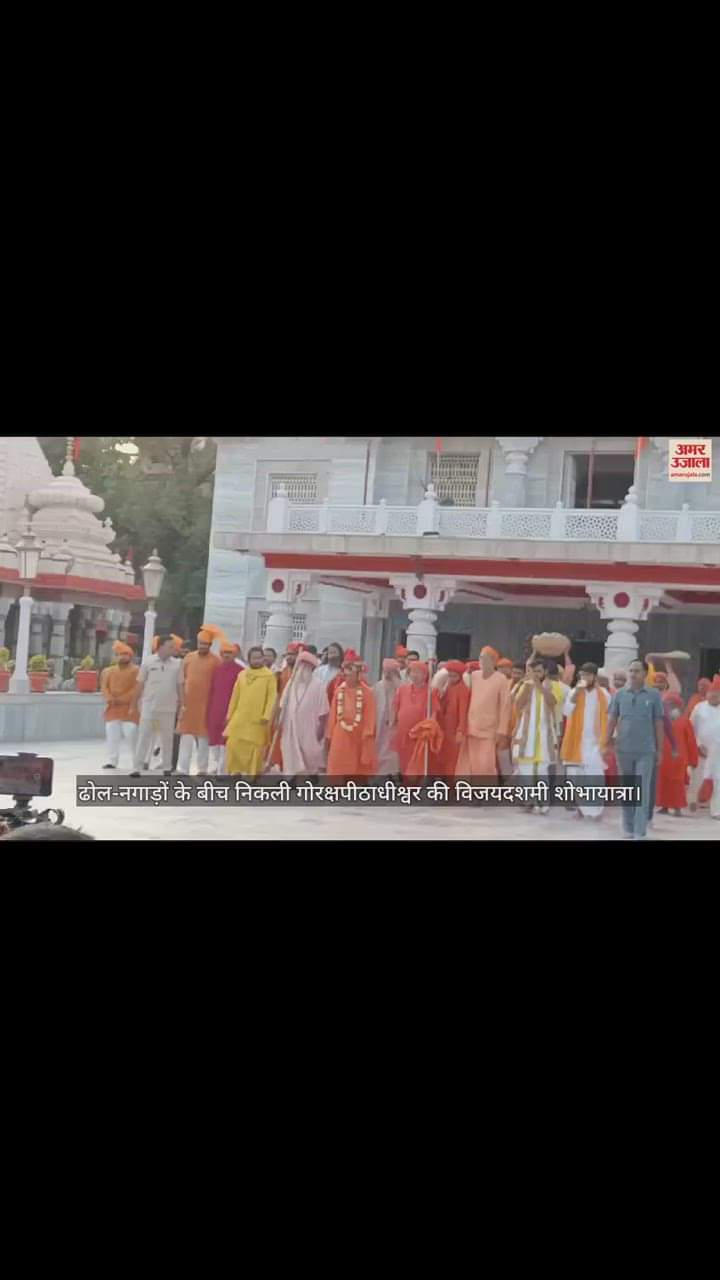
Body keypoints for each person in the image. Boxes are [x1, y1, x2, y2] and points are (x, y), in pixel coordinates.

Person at [604, 658, 665, 840]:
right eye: (630, 670)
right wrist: (606, 742)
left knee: (642, 789)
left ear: (645, 674)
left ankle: (640, 831)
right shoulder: (620, 694)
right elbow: (612, 720)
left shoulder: (653, 695)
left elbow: (658, 723)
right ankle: (628, 827)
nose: (632, 674)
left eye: (636, 671)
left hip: (646, 750)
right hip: (623, 749)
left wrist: (660, 750)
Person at [513, 658, 565, 811]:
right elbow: (517, 704)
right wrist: (528, 687)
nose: (536, 674)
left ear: (545, 672)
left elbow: (553, 702)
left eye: (539, 671)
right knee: (526, 769)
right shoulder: (525, 686)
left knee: (542, 770)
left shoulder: (553, 686)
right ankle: (528, 801)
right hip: (527, 735)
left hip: (544, 736)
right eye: (533, 671)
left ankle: (542, 803)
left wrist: (539, 686)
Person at [560, 662, 610, 820]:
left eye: (587, 675)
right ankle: (582, 808)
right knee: (576, 777)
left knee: (595, 777)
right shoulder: (575, 692)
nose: (584, 678)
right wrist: (576, 694)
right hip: (577, 742)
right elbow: (566, 711)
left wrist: (608, 742)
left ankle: (596, 811)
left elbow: (609, 718)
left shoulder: (603, 694)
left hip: (595, 743)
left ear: (594, 676)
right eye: (582, 675)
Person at [130, 636, 185, 776]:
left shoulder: (178, 664)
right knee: (144, 736)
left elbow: (180, 685)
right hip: (149, 706)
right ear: (160, 647)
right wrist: (133, 704)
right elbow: (140, 684)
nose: (173, 649)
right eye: (170, 647)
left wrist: (182, 705)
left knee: (167, 738)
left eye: (174, 647)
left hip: (169, 707)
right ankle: (138, 767)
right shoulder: (148, 662)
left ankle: (167, 767)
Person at [457, 647, 512, 779]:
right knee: (469, 762)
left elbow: (505, 706)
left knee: (486, 763)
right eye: (480, 657)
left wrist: (502, 731)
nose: (482, 661)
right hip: (472, 726)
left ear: (494, 661)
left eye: (485, 658)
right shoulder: (474, 676)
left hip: (490, 728)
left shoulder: (501, 679)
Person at [176, 625, 224, 774]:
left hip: (206, 705)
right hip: (188, 704)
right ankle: (182, 769)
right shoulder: (189, 657)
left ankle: (202, 768)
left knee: (203, 739)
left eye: (205, 644)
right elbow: (181, 680)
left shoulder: (216, 661)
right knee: (186, 738)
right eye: (200, 643)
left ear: (210, 645)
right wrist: (181, 701)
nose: (202, 646)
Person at [223, 646, 278, 776]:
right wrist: (229, 715)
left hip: (258, 719)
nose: (257, 660)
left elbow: (272, 697)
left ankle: (252, 775)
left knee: (254, 748)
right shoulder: (242, 675)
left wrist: (266, 715)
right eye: (254, 658)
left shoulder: (269, 676)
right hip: (240, 718)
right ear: (249, 659)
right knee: (233, 744)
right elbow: (235, 696)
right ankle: (234, 772)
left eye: (259, 658)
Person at [278, 649, 329, 776]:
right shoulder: (291, 683)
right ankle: (291, 779)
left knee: (309, 753)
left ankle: (311, 776)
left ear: (312, 668)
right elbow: (282, 705)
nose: (303, 669)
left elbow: (324, 711)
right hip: (290, 726)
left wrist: (321, 729)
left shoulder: (319, 685)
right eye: (301, 665)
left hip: (309, 726)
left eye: (307, 666)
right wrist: (280, 722)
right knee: (290, 752)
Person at [326, 656, 377, 776]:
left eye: (350, 670)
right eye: (345, 670)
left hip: (358, 735)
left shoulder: (367, 693)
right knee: (336, 764)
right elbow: (333, 714)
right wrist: (329, 733)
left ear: (358, 673)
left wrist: (367, 735)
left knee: (356, 768)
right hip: (340, 733)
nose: (346, 673)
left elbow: (370, 717)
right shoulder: (339, 690)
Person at [391, 660, 439, 779]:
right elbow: (395, 706)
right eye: (412, 672)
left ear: (425, 675)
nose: (414, 675)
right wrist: (392, 723)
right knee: (403, 760)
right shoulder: (402, 689)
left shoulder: (431, 692)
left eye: (418, 672)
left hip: (419, 734)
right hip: (403, 732)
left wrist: (430, 727)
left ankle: (414, 789)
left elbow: (434, 712)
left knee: (417, 762)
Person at [657, 693, 698, 815]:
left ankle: (677, 808)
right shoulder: (660, 721)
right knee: (663, 782)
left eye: (672, 704)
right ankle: (664, 806)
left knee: (677, 783)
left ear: (679, 706)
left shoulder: (685, 722)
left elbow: (691, 742)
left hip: (679, 759)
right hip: (663, 758)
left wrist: (693, 760)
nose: (669, 707)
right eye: (667, 705)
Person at [101, 641, 139, 770]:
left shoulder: (136, 670)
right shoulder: (108, 671)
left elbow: (137, 688)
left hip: (129, 709)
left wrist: (122, 699)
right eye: (120, 655)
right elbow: (104, 687)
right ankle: (112, 761)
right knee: (112, 736)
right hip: (112, 708)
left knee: (132, 734)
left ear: (130, 656)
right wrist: (110, 698)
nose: (122, 657)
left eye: (125, 654)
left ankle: (137, 760)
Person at [206, 642, 242, 774]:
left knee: (226, 740)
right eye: (224, 653)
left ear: (234, 655)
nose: (226, 655)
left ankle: (223, 769)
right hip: (215, 710)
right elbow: (211, 690)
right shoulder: (217, 670)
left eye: (230, 653)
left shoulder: (241, 672)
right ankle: (216, 765)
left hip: (231, 711)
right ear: (220, 654)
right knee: (214, 738)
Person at [432, 660, 469, 779]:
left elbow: (463, 712)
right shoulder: (448, 686)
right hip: (445, 727)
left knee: (453, 757)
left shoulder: (463, 690)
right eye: (450, 675)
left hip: (454, 729)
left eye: (454, 676)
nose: (452, 678)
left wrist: (460, 731)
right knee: (444, 755)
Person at [689, 677, 720, 819]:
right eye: (712, 692)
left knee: (718, 781)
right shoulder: (699, 707)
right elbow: (690, 728)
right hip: (701, 749)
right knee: (696, 778)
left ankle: (716, 810)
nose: (714, 695)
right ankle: (692, 803)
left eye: (717, 693)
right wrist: (698, 744)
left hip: (718, 751)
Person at [374, 659, 403, 775]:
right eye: (386, 671)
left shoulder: (401, 687)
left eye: (390, 672)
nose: (387, 674)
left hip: (395, 724)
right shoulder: (378, 686)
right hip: (379, 723)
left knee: (393, 752)